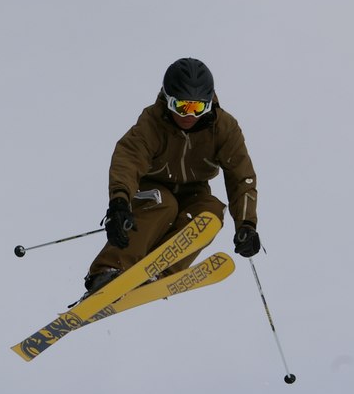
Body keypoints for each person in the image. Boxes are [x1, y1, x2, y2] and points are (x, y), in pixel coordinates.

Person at [84, 57, 260, 293]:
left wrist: (246, 224)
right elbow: (128, 159)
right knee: (163, 203)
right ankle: (107, 271)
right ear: (168, 100)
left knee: (210, 214)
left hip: (194, 192)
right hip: (150, 188)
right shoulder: (153, 122)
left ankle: (158, 275)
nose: (189, 115)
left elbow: (241, 177)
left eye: (198, 108)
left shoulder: (224, 128)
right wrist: (119, 201)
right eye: (181, 106)